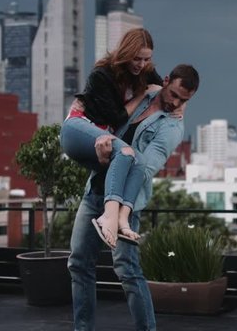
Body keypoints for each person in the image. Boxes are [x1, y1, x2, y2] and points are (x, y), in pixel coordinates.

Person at [68, 64, 200, 331]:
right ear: (165, 81)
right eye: (174, 94)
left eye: (184, 100)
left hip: (127, 202)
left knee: (127, 269)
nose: (176, 103)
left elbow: (144, 169)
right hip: (95, 190)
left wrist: (118, 209)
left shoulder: (172, 128)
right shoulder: (144, 94)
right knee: (79, 263)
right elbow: (111, 108)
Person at [61, 28, 162, 249]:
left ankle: (121, 220)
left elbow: (165, 91)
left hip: (103, 138)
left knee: (139, 161)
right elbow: (115, 117)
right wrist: (142, 94)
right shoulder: (102, 74)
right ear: (126, 53)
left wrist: (181, 108)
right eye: (137, 58)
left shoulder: (145, 72)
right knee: (126, 153)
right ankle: (109, 216)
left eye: (147, 59)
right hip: (79, 128)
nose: (141, 64)